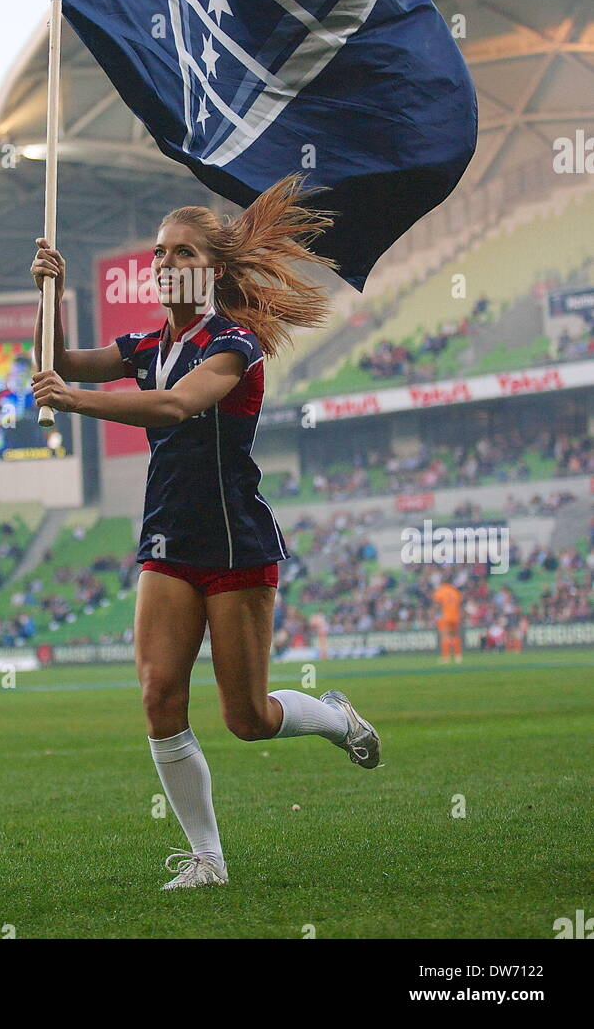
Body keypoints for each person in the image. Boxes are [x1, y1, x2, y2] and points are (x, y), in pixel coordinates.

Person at [30, 175, 382, 891]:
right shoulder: (149, 341)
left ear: (212, 269)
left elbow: (174, 407)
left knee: (246, 718)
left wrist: (75, 403)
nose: (163, 265)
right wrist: (53, 297)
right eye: (158, 254)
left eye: (180, 252)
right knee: (159, 694)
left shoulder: (233, 343)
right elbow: (64, 362)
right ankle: (207, 860)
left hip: (234, 541)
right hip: (167, 539)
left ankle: (334, 717)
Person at [433, 577, 463, 663]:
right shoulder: (455, 591)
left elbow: (437, 604)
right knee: (455, 636)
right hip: (455, 616)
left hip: (445, 616)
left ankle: (446, 657)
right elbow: (459, 604)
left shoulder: (440, 590)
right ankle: (458, 656)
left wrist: (436, 615)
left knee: (445, 636)